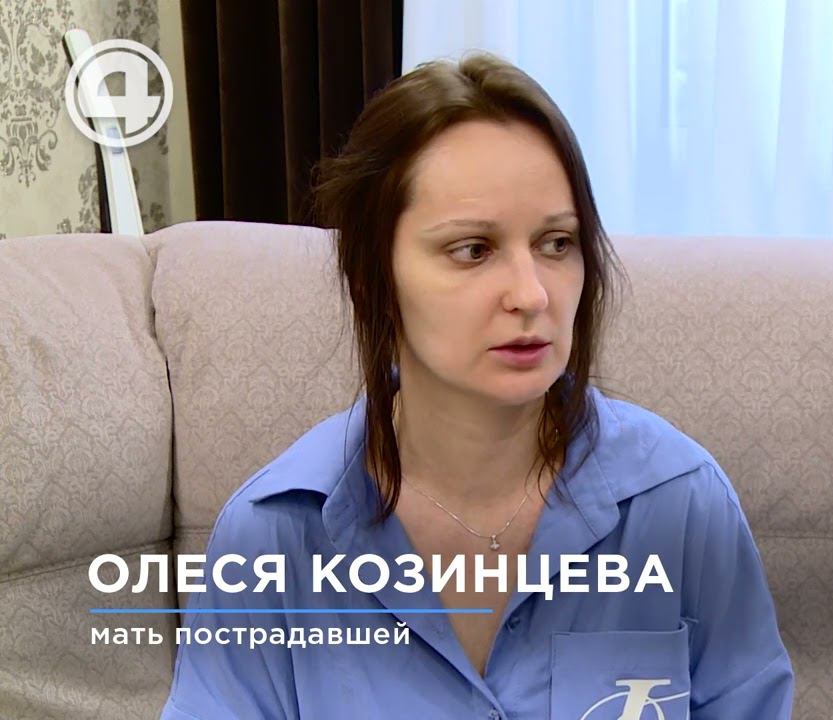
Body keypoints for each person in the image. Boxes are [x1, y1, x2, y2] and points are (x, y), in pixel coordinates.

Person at [160, 51, 793, 720]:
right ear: (373, 279)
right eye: (473, 250)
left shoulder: (683, 505)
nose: (531, 294)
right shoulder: (274, 533)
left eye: (556, 243)